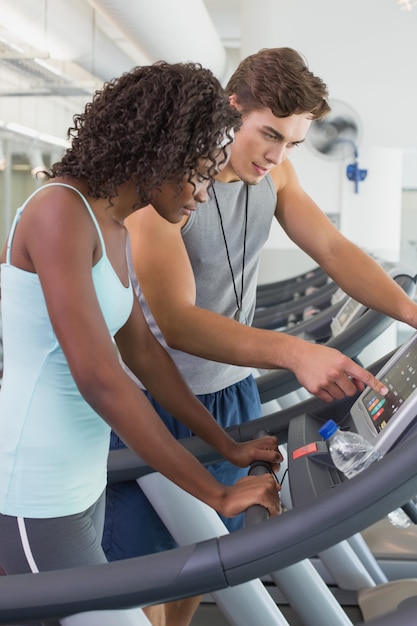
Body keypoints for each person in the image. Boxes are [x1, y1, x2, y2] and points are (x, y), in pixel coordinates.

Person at [103, 47, 417, 626]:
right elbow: (176, 319)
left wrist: (411, 311)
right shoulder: (169, 184)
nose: (277, 155)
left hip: (233, 392)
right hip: (156, 397)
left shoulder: (278, 174)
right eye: (269, 134)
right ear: (231, 108)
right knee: (145, 569)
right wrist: (295, 351)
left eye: (292, 142)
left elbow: (332, 249)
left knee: (210, 557)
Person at [0, 61, 283, 626]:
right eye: (198, 173)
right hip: (35, 488)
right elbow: (102, 377)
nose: (204, 193)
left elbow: (146, 356)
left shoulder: (115, 227)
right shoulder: (60, 211)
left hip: (82, 477)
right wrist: (217, 493)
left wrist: (226, 447)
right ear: (160, 151)